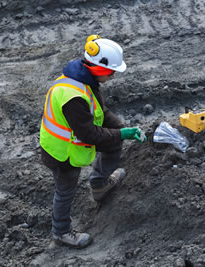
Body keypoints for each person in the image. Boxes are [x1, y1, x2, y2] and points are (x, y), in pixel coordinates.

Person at [39, 35, 145, 248]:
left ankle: (99, 186)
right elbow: (89, 135)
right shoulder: (74, 96)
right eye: (111, 71)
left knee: (113, 142)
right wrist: (121, 134)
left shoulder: (86, 80)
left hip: (69, 144)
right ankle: (61, 232)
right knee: (65, 189)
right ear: (98, 68)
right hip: (61, 153)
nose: (113, 75)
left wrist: (120, 128)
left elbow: (100, 112)